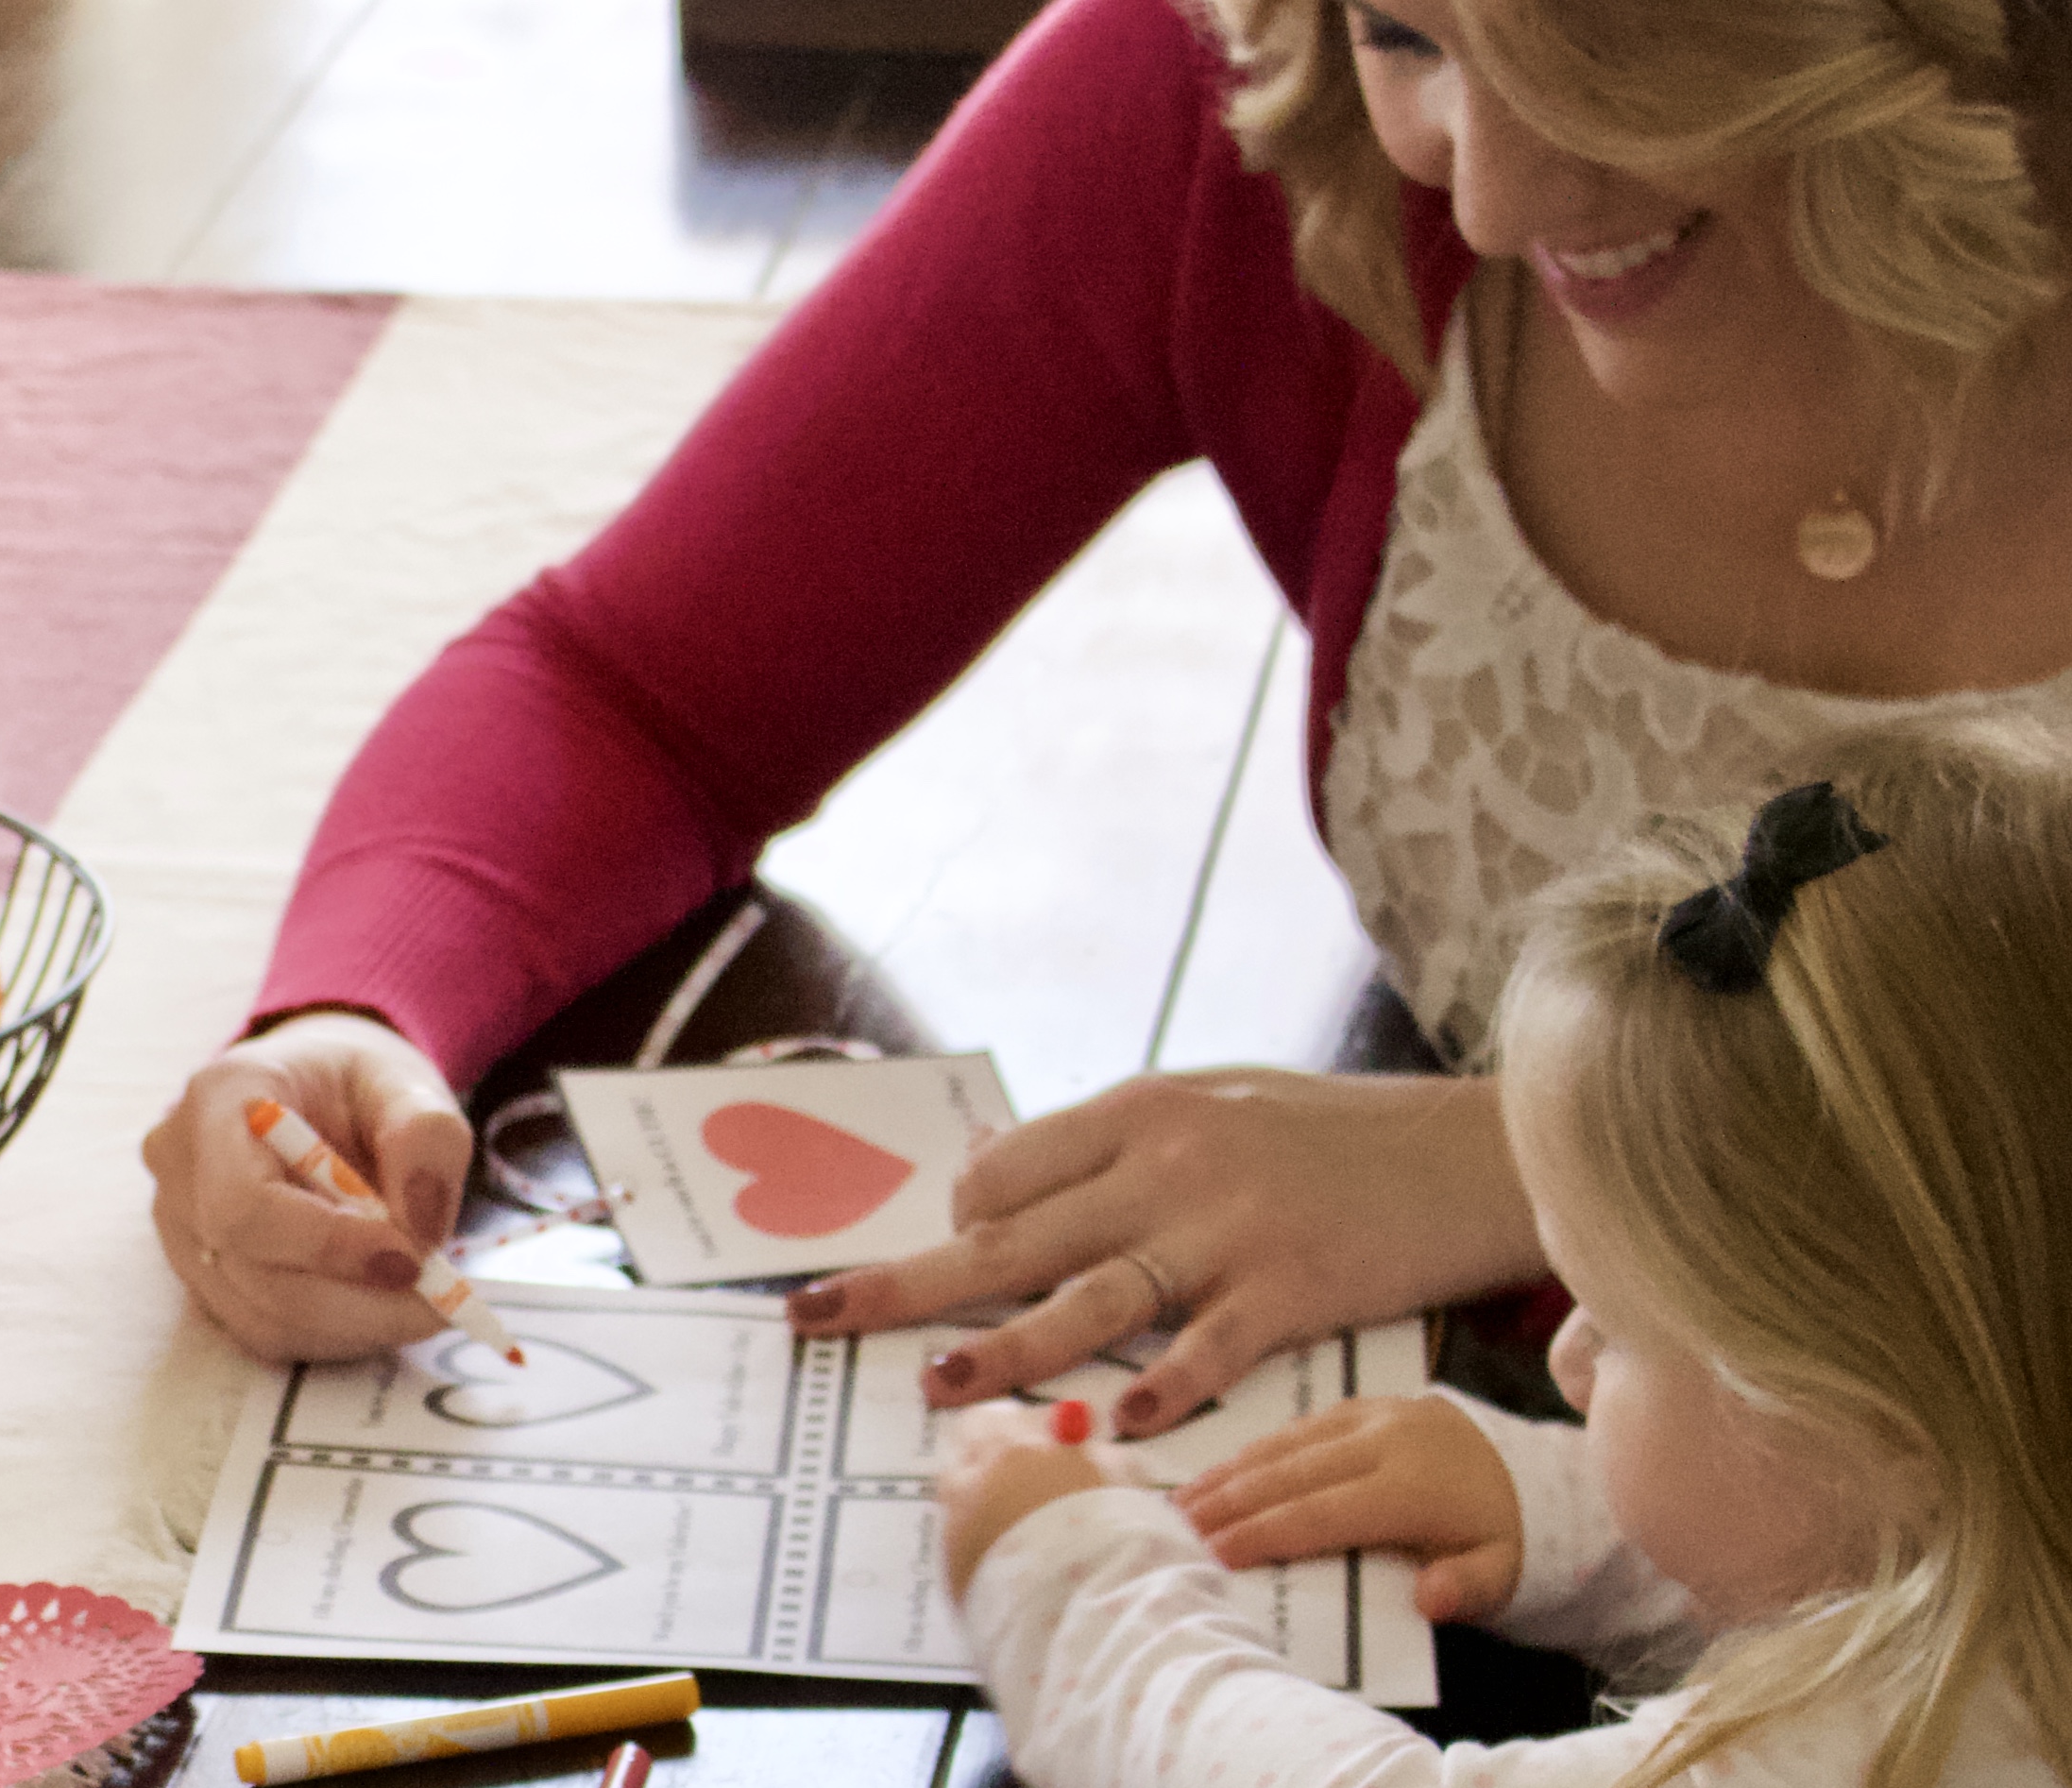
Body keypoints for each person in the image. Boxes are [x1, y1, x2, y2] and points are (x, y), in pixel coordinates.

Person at [144, 0, 2072, 1433]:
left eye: (1614, 56)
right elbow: (632, 686)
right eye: (1410, 30)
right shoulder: (1244, 87)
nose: (1484, 191)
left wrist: (1532, 1162)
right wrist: (350, 1014)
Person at [937, 725, 2072, 1788]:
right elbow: (1870, 1537)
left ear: (1858, 1406)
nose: (1565, 1360)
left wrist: (1075, 1586)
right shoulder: (2007, 1492)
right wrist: (1560, 1507)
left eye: (1621, 1326)